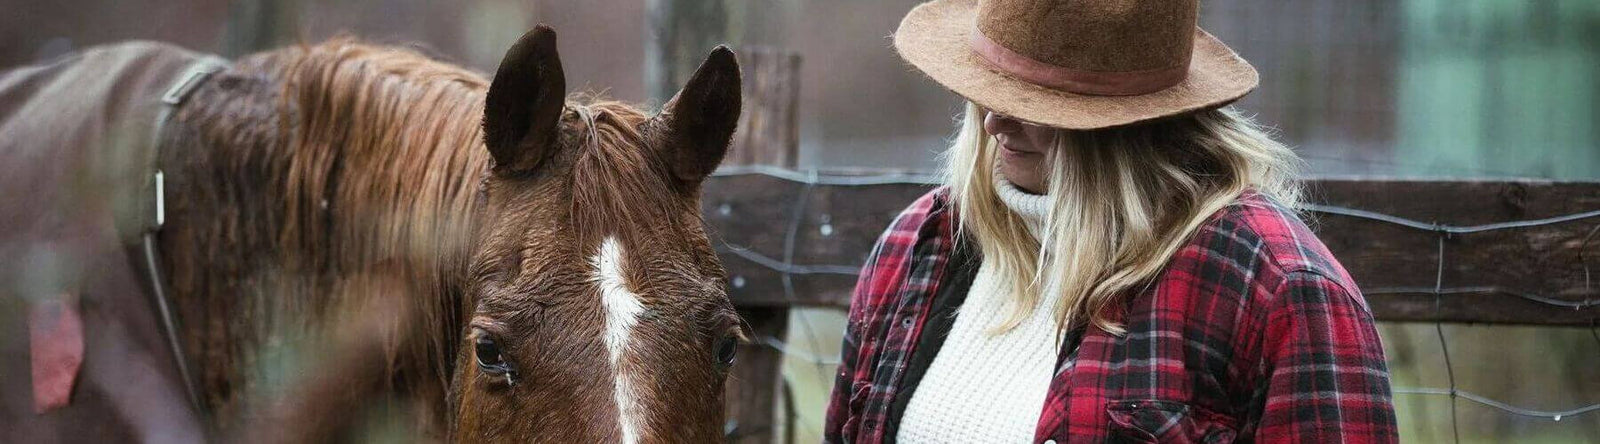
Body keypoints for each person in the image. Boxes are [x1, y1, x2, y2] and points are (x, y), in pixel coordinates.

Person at [823, 0, 1399, 442]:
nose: (995, 122)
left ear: (1128, 129)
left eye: (1034, 104)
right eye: (984, 88)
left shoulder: (1276, 291)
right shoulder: (917, 248)